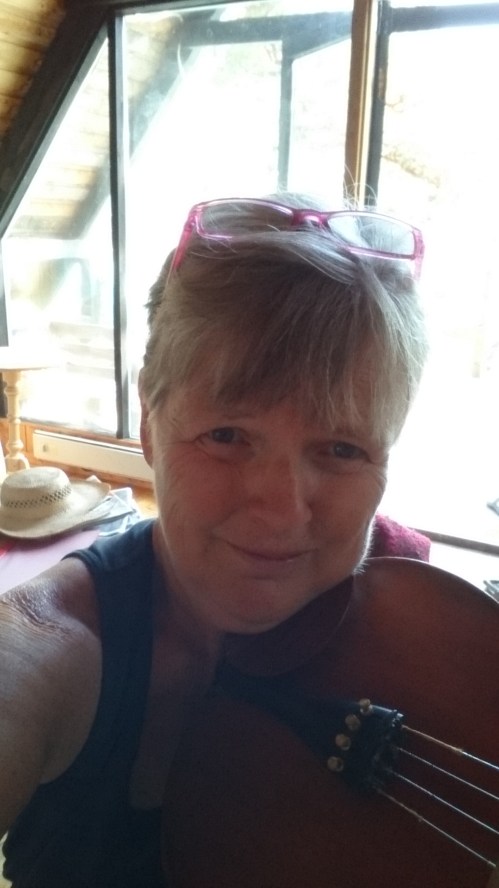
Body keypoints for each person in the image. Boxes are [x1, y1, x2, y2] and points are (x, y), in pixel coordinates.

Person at [0, 194, 431, 887]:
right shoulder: (51, 643)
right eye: (227, 436)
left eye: (341, 449)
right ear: (150, 421)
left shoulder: (417, 610)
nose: (282, 511)